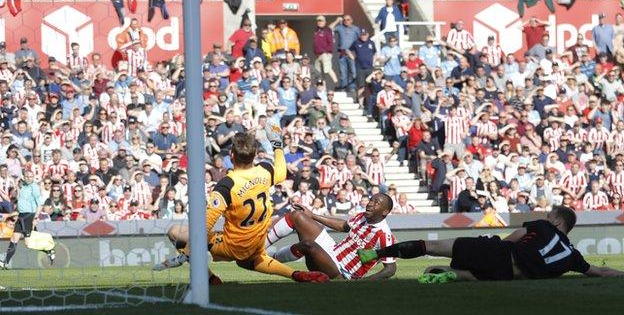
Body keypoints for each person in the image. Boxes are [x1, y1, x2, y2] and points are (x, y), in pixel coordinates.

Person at [153, 128, 328, 284]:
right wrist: (277, 145)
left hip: (233, 245)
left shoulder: (226, 185)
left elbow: (205, 225)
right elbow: (281, 173)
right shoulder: (265, 170)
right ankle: (295, 274)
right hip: (258, 240)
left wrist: (187, 253)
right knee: (252, 260)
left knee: (174, 231)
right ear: (255, 154)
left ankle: (207, 277)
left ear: (231, 156)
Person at [359, 206, 624, 283]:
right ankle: (454, 275)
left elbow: (517, 237)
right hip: (508, 276)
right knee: (452, 274)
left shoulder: (543, 226)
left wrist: (495, 244)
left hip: (499, 253)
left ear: (556, 220)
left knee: (431, 246)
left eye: (549, 215)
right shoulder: (573, 257)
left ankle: (377, 253)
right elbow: (600, 272)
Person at [264, 192, 396, 280]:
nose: (370, 203)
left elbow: (390, 269)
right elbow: (343, 226)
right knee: (297, 215)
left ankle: (269, 261)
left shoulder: (384, 235)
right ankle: (258, 249)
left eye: (376, 202)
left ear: (385, 211)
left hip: (342, 272)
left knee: (308, 245)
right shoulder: (362, 216)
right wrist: (313, 215)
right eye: (371, 200)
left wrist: (365, 282)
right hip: (332, 251)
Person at [0, 171, 55, 269]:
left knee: (28, 243)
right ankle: (5, 262)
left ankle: (49, 250)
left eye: (31, 176)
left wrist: (36, 217)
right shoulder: (24, 186)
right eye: (27, 176)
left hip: (29, 216)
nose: (29, 178)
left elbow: (40, 204)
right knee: (14, 238)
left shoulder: (34, 187)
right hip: (21, 216)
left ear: (33, 177)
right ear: (24, 177)